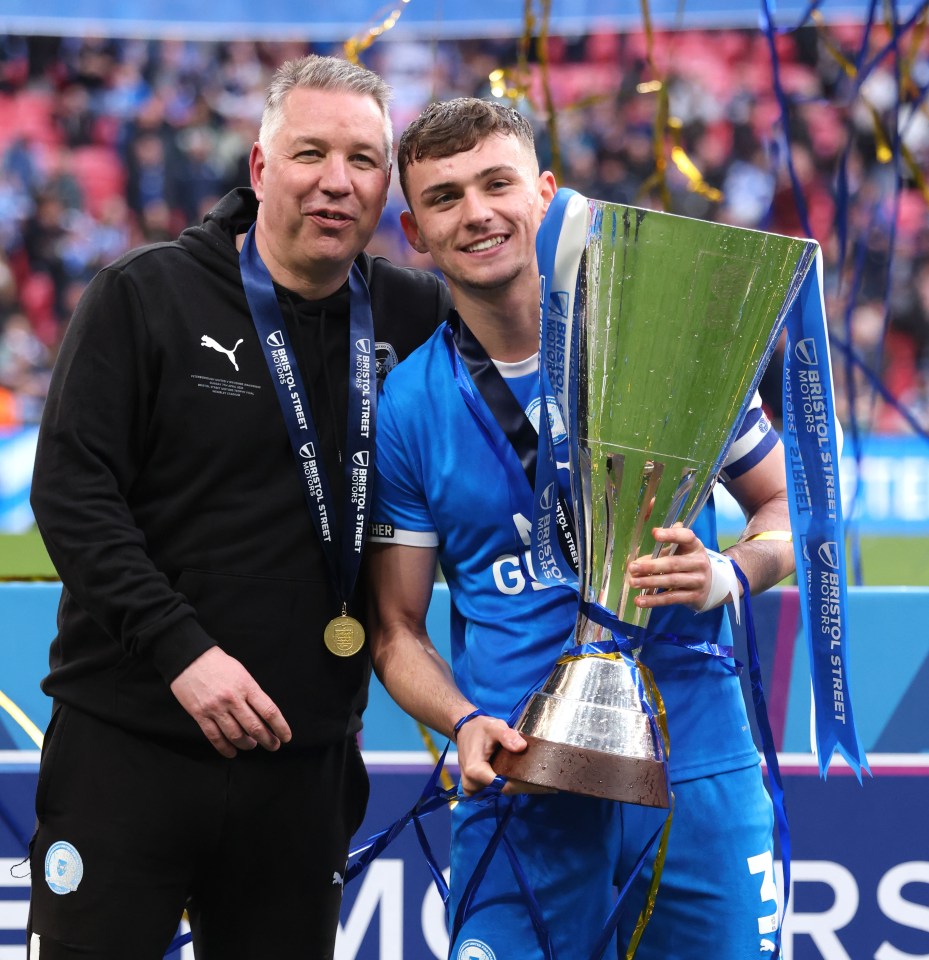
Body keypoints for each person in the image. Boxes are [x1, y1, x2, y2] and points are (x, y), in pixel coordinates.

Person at [27, 55, 449, 960]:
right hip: (129, 746)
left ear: (388, 186)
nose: (336, 182)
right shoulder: (143, 296)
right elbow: (72, 494)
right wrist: (182, 652)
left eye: (364, 160)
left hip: (303, 767)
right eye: (310, 153)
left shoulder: (415, 320)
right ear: (259, 169)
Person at [366, 98, 796, 960]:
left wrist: (729, 574)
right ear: (414, 231)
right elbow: (395, 630)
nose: (477, 212)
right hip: (518, 774)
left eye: (497, 183)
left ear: (546, 193)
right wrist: (460, 723)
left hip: (695, 764)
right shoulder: (406, 404)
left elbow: (797, 512)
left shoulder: (667, 345)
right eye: (445, 198)